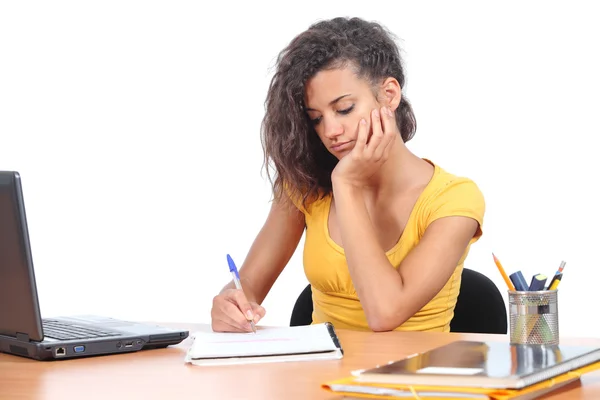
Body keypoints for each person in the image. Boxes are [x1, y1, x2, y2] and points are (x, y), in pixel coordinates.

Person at [210, 16, 485, 333]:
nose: (331, 131)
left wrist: (348, 185)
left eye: (344, 109)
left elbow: (384, 313)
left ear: (390, 94)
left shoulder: (454, 198)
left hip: (414, 378)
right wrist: (228, 306)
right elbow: (246, 290)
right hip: (319, 374)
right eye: (316, 119)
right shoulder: (305, 185)